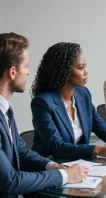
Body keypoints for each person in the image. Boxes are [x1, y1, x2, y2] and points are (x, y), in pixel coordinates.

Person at [0, 32, 88, 197]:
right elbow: (9, 182)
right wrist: (64, 176)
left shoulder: (5, 110)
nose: (27, 72)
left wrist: (52, 166)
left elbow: (21, 152)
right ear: (12, 72)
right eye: (26, 66)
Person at [30, 42, 106, 158]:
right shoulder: (42, 103)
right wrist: (99, 150)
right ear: (64, 71)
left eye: (85, 66)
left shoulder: (83, 94)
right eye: (81, 67)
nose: (86, 71)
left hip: (81, 164)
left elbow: (102, 129)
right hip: (50, 166)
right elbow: (56, 147)